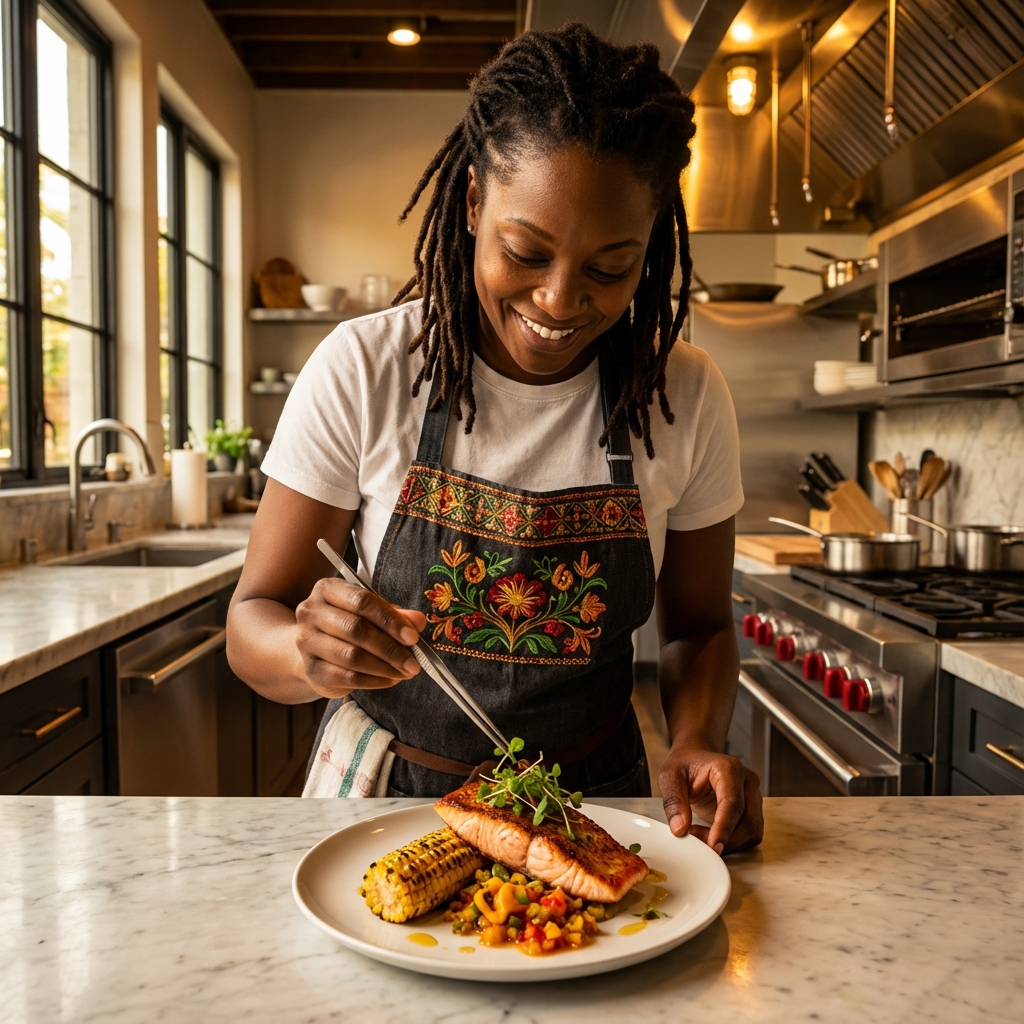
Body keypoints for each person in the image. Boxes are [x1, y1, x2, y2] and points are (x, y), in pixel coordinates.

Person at [227, 22, 763, 854]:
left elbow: (697, 626)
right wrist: (307, 652)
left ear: (651, 244)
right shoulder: (366, 368)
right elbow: (251, 620)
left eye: (609, 268)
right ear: (474, 204)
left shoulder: (682, 393)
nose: (558, 300)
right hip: (387, 808)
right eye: (525, 251)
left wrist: (697, 738)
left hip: (600, 808)